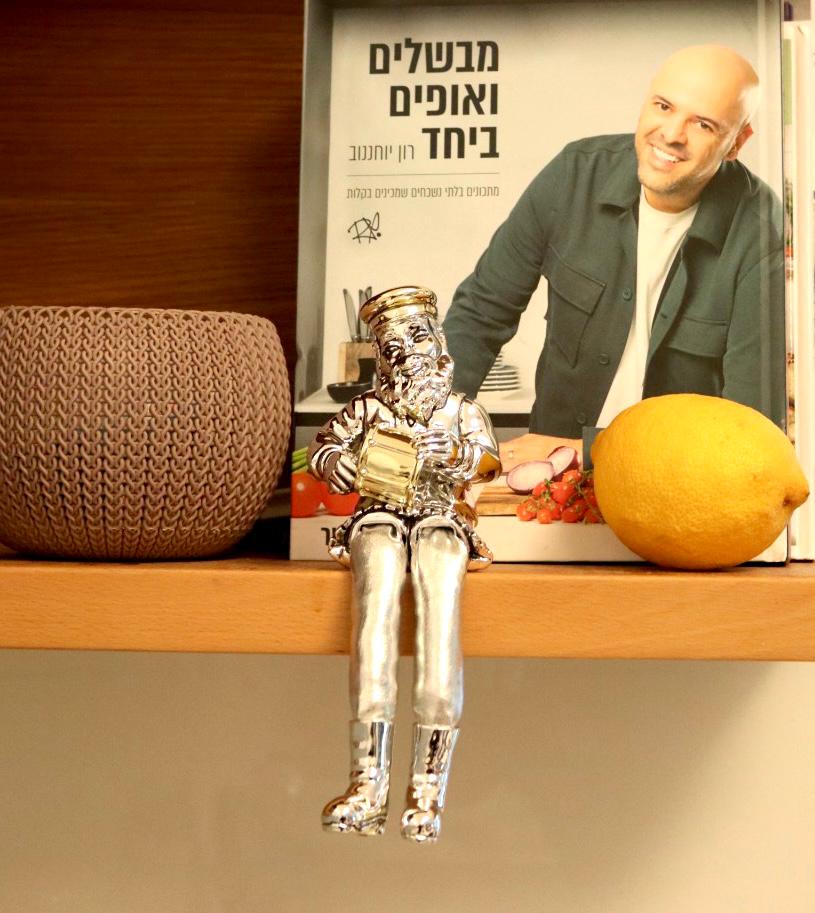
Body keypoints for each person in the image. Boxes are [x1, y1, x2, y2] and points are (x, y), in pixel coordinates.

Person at [443, 44, 785, 460]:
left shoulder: (760, 227)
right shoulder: (573, 174)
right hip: (551, 484)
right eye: (663, 106)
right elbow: (481, 313)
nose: (672, 134)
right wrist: (434, 428)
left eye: (703, 125)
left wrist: (583, 451)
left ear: (736, 142)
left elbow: (750, 429)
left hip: (677, 489)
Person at [308, 286, 501, 843]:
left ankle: (427, 789)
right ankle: (368, 782)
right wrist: (336, 464)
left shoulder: (461, 410)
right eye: (392, 347)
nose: (407, 354)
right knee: (373, 618)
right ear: (381, 359)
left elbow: (488, 461)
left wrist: (459, 456)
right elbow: (319, 450)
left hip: (442, 519)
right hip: (378, 517)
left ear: (440, 345)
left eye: (418, 338)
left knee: (441, 622)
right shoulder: (367, 409)